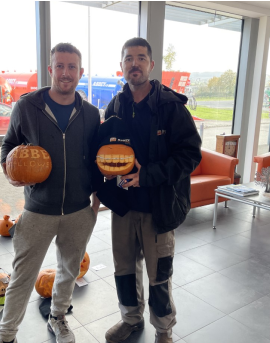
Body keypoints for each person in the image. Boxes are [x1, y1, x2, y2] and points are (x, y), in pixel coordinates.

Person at [98, 38, 202, 343]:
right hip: (124, 206)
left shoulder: (170, 107)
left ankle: (163, 330)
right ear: (121, 66)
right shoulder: (116, 105)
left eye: (141, 58)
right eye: (128, 58)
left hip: (159, 205)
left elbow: (190, 155)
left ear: (151, 65)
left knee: (159, 275)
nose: (135, 64)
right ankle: (130, 319)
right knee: (124, 270)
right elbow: (106, 150)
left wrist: (148, 176)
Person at [0, 43, 102, 343]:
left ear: (80, 72)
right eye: (60, 66)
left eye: (72, 67)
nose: (66, 73)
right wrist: (9, 170)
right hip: (37, 210)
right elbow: (8, 146)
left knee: (69, 271)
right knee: (22, 276)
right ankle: (6, 335)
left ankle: (58, 318)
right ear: (50, 69)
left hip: (80, 210)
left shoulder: (91, 114)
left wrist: (95, 202)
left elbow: (95, 158)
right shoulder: (26, 106)